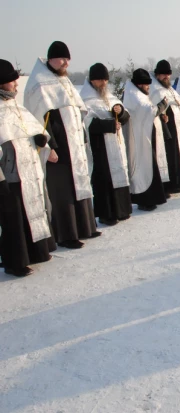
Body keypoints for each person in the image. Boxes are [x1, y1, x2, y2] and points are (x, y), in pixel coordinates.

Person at [24, 41, 100, 249]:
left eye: (68, 59)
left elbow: (77, 109)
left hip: (73, 141)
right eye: (62, 58)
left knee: (80, 184)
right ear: (50, 59)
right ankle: (67, 235)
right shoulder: (39, 83)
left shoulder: (63, 80)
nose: (66, 62)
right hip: (57, 146)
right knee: (62, 190)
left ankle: (85, 227)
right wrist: (51, 147)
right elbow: (39, 118)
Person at [0, 59, 56, 276]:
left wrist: (40, 139)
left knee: (32, 210)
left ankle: (36, 252)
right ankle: (15, 262)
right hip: (11, 175)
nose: (16, 83)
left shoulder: (15, 105)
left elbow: (29, 129)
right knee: (13, 218)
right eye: (12, 80)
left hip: (29, 171)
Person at [81, 63, 132, 226]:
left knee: (119, 174)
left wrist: (119, 111)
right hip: (99, 146)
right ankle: (106, 214)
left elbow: (126, 116)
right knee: (104, 178)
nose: (103, 83)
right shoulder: (85, 99)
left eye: (105, 80)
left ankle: (122, 210)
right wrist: (109, 125)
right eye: (99, 80)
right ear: (92, 80)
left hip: (116, 144)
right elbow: (85, 123)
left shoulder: (110, 97)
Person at [123, 68, 168, 212]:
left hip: (145, 134)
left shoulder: (138, 93)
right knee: (143, 167)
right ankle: (144, 200)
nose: (149, 86)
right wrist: (162, 105)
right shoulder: (133, 94)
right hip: (138, 138)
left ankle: (154, 197)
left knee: (150, 165)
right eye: (146, 84)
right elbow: (149, 110)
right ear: (140, 84)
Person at [151, 60, 180, 194]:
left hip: (176, 126)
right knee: (168, 156)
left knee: (177, 153)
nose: (166, 77)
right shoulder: (154, 89)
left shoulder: (170, 89)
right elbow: (154, 109)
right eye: (163, 75)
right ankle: (169, 185)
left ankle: (178, 182)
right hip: (166, 128)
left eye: (168, 74)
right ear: (157, 75)